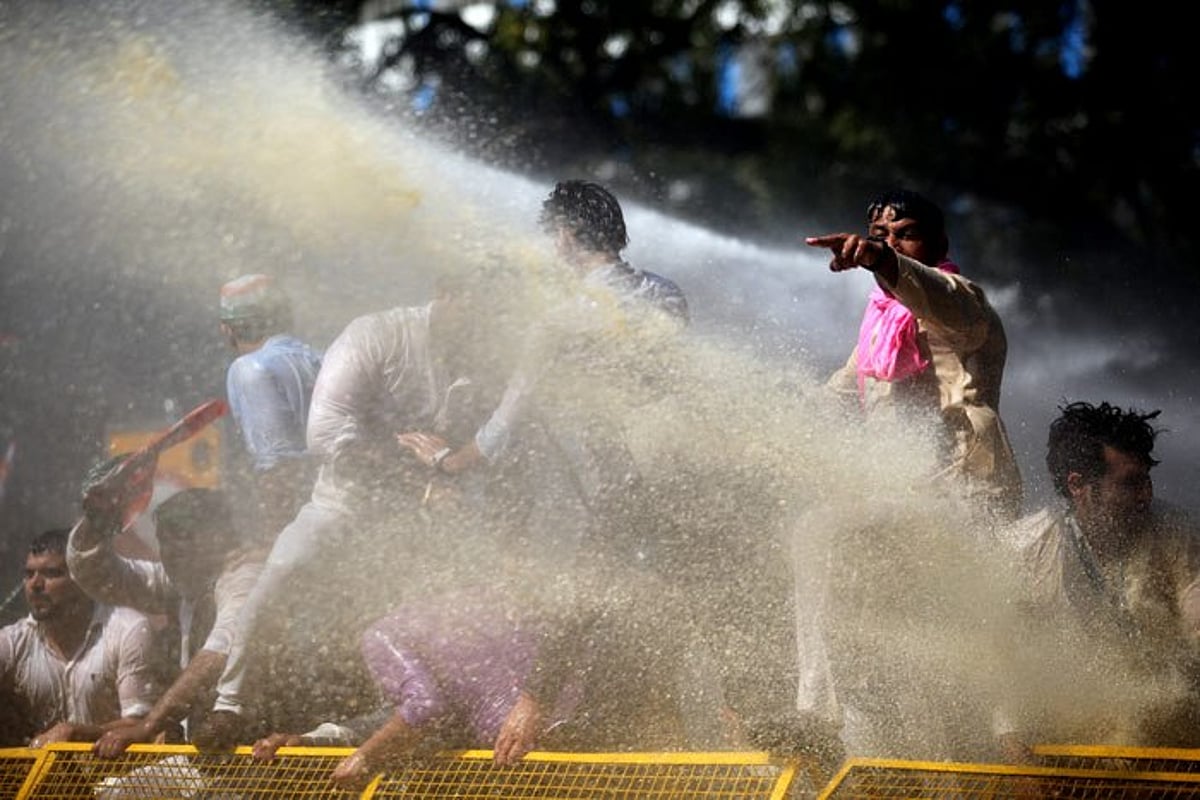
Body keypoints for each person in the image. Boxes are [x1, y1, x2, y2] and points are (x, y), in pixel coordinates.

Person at [194, 270, 515, 752]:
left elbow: (494, 449)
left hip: (420, 524)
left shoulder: (489, 358)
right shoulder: (377, 334)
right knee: (280, 569)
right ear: (444, 292)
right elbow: (321, 435)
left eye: (495, 310)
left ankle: (387, 737)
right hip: (340, 505)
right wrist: (414, 470)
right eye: (478, 305)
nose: (486, 321)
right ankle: (229, 705)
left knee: (436, 629)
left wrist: (451, 482)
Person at [997, 401, 1200, 758]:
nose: (1146, 495)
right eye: (1130, 483)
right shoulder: (1026, 548)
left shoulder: (1176, 531)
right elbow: (1004, 650)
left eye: (1147, 480)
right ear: (1078, 485)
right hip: (1070, 736)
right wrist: (1009, 735)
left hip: (1172, 730)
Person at [805, 189, 1022, 520]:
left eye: (906, 234)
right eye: (880, 236)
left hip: (971, 490)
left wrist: (880, 259)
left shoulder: (963, 302)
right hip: (903, 494)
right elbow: (835, 399)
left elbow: (931, 290)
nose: (891, 244)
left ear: (939, 245)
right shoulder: (879, 328)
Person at [66, 458, 262, 754]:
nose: (169, 553)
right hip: (204, 754)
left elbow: (219, 651)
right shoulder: (182, 583)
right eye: (164, 541)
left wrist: (147, 726)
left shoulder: (246, 578)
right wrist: (100, 516)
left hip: (257, 755)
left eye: (181, 539)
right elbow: (98, 574)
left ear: (217, 537)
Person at [0, 529, 160, 747]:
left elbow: (143, 725)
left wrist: (78, 732)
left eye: (52, 573)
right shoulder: (13, 641)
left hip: (120, 775)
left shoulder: (127, 629)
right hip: (40, 776)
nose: (35, 585)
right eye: (29, 574)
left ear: (81, 578)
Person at [219, 273, 322, 542]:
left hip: (303, 524)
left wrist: (273, 544)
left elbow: (279, 466)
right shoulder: (316, 358)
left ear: (228, 329)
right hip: (335, 510)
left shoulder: (249, 369)